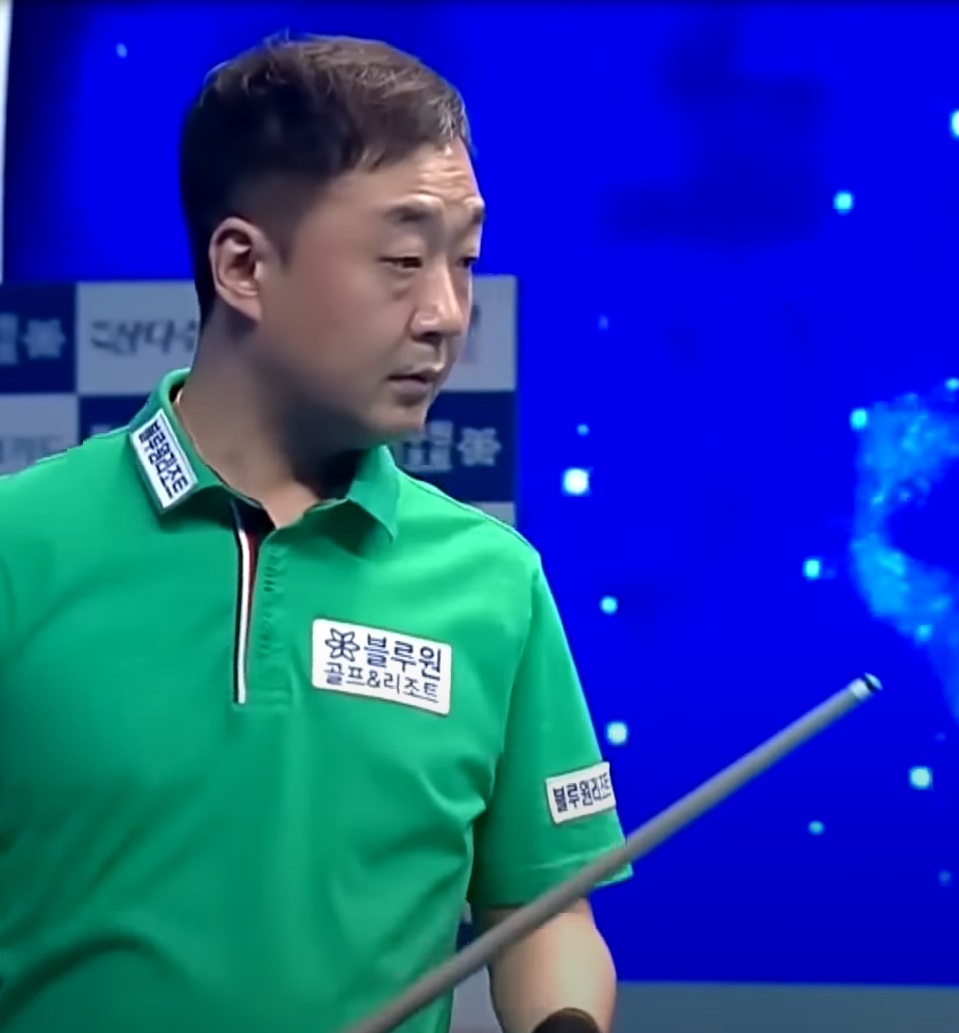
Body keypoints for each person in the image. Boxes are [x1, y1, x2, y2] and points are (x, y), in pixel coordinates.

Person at [0, 34, 631, 1033]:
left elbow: (545, 913)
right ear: (243, 265)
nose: (446, 313)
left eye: (464, 261)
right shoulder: (19, 545)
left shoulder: (494, 583)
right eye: (401, 261)